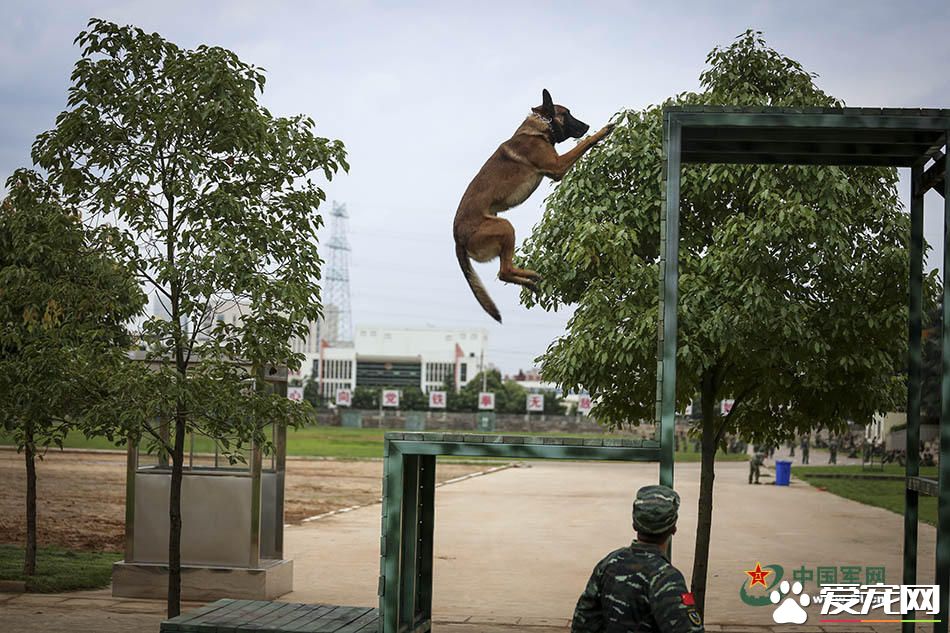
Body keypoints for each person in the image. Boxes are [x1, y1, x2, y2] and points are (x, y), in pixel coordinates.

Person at [572, 485, 704, 633]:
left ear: (635, 525)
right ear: (673, 528)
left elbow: (582, 623)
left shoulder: (609, 563)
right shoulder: (667, 578)